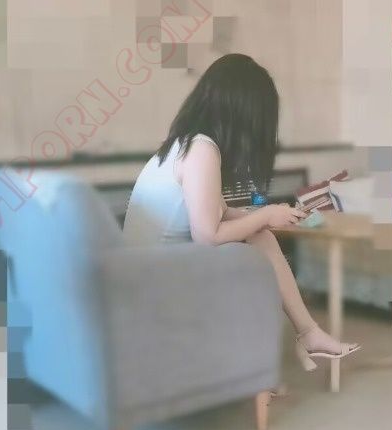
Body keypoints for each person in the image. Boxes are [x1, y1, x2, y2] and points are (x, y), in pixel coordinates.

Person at [123, 53, 359, 367]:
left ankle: (307, 335)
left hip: (147, 270)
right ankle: (290, 346)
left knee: (261, 237)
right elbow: (208, 235)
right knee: (255, 257)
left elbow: (218, 212)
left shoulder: (185, 143)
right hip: (157, 280)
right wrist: (265, 216)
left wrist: (270, 214)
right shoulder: (202, 150)